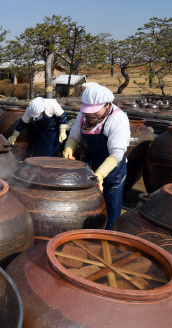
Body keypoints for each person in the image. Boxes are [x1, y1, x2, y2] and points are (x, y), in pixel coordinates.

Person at [63, 85, 129, 230]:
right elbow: (74, 136)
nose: (90, 114)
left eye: (94, 111)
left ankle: (109, 234)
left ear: (107, 105)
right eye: (87, 110)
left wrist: (100, 174)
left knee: (110, 205)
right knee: (88, 204)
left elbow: (117, 153)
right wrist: (69, 148)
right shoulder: (83, 115)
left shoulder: (118, 119)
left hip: (111, 169)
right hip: (89, 164)